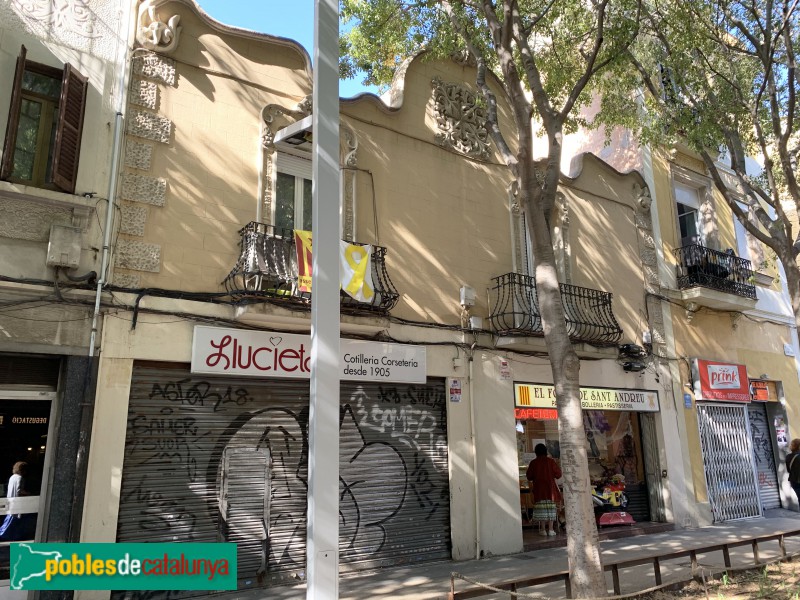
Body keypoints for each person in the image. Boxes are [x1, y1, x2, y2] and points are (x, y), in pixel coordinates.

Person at [526, 443, 562, 537]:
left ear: (536, 452)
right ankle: (550, 529)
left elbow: (529, 476)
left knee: (541, 509)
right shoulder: (551, 461)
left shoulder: (533, 463)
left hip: (539, 490)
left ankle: (542, 530)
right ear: (546, 451)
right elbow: (558, 474)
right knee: (551, 509)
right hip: (550, 490)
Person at [0, 462, 31, 541]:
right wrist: (28, 493)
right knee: (10, 521)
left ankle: (11, 536)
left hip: (10, 501)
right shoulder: (20, 478)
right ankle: (3, 535)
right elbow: (19, 491)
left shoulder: (12, 477)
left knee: (10, 520)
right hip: (16, 503)